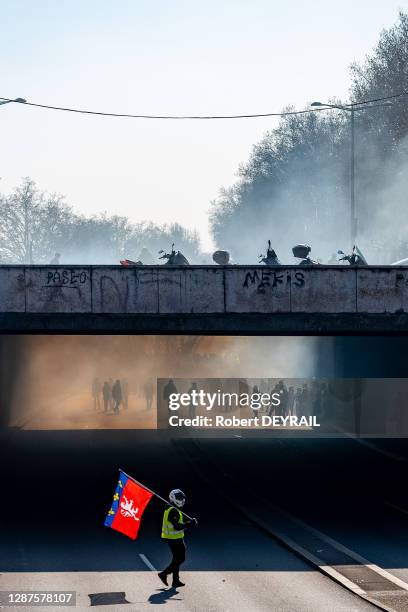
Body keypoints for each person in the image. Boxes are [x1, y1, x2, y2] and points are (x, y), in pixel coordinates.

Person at [158, 489, 196, 588]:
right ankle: (164, 573)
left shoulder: (172, 508)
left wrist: (189, 521)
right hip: (173, 538)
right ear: (173, 498)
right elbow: (177, 526)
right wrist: (189, 524)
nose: (182, 500)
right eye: (179, 498)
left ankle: (176, 581)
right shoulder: (173, 510)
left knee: (176, 559)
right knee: (181, 558)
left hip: (175, 537)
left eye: (182, 498)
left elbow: (178, 521)